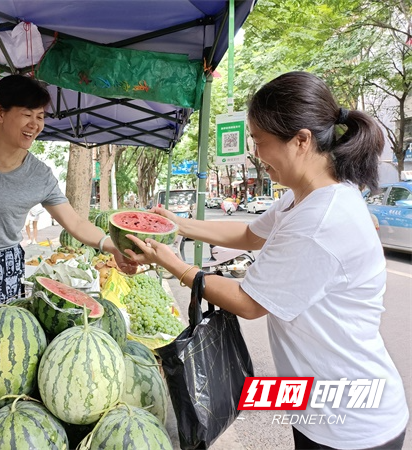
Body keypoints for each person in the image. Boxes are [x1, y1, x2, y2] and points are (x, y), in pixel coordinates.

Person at [125, 72, 408, 450]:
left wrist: (177, 265)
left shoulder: (320, 220)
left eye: (260, 142)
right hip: (319, 409)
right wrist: (176, 224)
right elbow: (248, 235)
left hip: (351, 425)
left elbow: (249, 302)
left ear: (301, 140)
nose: (256, 154)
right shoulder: (304, 197)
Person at [0, 74, 136, 331]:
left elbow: (75, 222)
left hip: (4, 269)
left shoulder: (40, 175)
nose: (35, 124)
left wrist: (113, 247)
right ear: (0, 113)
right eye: (26, 114)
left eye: (40, 116)